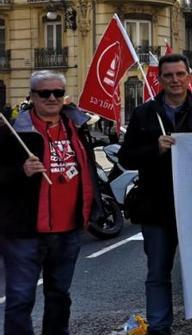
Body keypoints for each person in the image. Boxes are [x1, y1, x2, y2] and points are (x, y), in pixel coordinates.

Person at [119, 54, 192, 335]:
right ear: (160, 79)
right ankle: (159, 327)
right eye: (168, 75)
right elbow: (126, 158)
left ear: (188, 76)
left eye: (180, 74)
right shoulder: (144, 113)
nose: (175, 80)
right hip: (157, 207)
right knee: (157, 272)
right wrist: (154, 149)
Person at [0, 71, 101, 335]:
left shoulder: (76, 127)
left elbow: (88, 171)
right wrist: (20, 171)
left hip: (68, 230)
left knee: (59, 297)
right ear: (33, 96)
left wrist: (92, 211)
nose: (52, 98)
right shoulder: (13, 132)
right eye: (45, 93)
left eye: (58, 92)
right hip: (24, 233)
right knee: (20, 299)